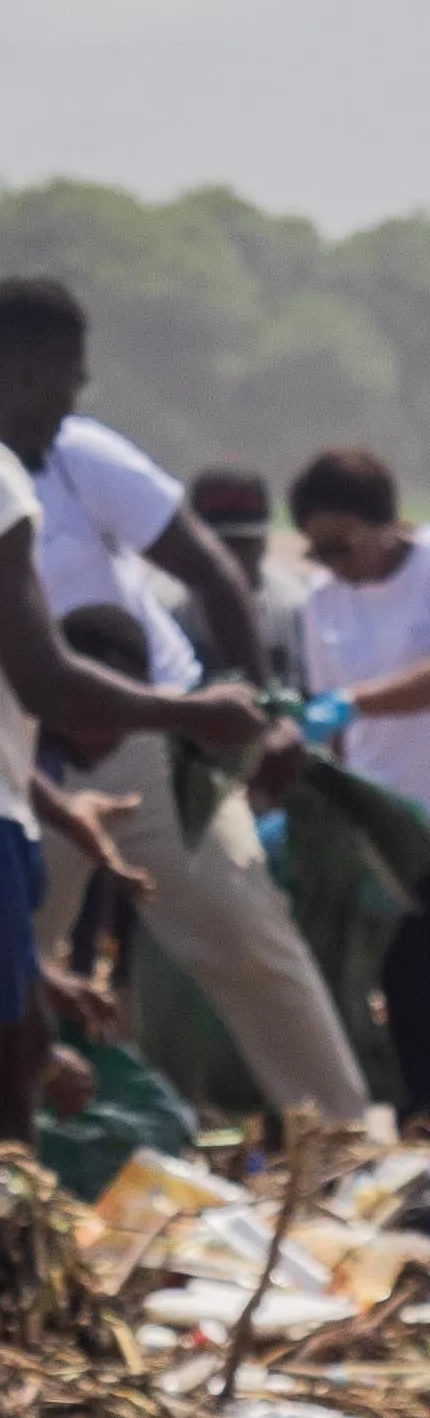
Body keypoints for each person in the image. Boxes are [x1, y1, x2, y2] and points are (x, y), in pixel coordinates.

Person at [0, 283, 269, 1142]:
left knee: (8, 1062)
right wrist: (193, 711)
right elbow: (44, 680)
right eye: (72, 387)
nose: (67, 415)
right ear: (37, 371)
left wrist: (57, 805)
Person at [0, 282, 367, 1122]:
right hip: (29, 759)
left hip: (152, 742)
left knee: (245, 935)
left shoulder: (79, 457)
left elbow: (211, 572)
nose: (72, 400)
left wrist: (266, 718)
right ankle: (12, 1166)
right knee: (13, 964)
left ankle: (340, 1137)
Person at [291, 445, 430, 1099]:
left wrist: (357, 700)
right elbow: (334, 728)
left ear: (384, 523)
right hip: (384, 823)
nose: (333, 565)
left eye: (342, 547)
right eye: (319, 552)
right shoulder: (322, 606)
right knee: (400, 979)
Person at [192, 463, 310, 689]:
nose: (232, 556)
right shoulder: (162, 605)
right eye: (221, 544)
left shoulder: (295, 604)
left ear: (264, 540)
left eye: (245, 542)